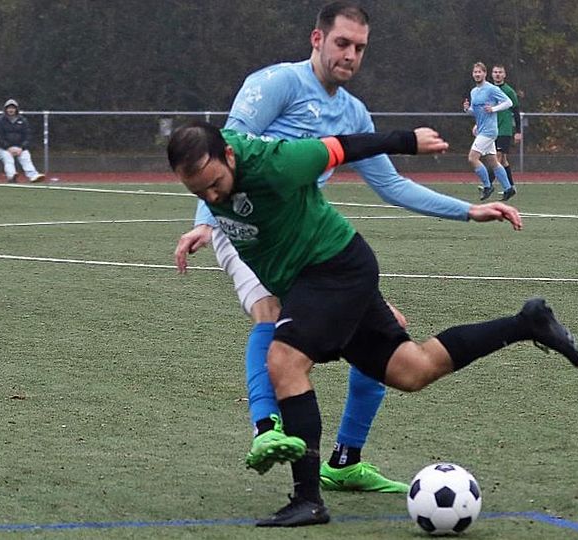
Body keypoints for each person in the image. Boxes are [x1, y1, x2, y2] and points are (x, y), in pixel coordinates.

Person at [175, 1, 520, 495]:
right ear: (317, 40)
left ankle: (345, 459)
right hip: (246, 229)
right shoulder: (275, 83)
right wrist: (207, 222)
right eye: (342, 43)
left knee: (393, 331)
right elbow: (224, 150)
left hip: (310, 244)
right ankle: (266, 429)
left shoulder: (353, 112)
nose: (351, 55)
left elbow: (392, 186)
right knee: (271, 316)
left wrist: (466, 210)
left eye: (359, 47)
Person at [167, 122, 578, 527]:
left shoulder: (278, 163)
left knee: (284, 362)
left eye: (215, 183)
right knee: (413, 369)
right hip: (319, 278)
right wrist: (204, 222)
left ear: (229, 155)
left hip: (331, 269)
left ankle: (308, 499)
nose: (211, 194)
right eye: (197, 191)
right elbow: (217, 196)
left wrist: (408, 141)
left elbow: (342, 146)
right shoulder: (214, 174)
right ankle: (527, 323)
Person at [462, 62, 516, 201]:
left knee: (472, 158)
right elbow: (478, 112)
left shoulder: (491, 89)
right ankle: (508, 188)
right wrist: (468, 110)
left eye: (479, 72)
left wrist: (494, 109)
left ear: (485, 74)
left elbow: (508, 102)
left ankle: (487, 186)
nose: (477, 74)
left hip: (489, 131)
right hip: (482, 130)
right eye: (475, 72)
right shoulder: (474, 91)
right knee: (493, 161)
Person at [0, 98, 46, 183]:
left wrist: (21, 147)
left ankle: (33, 176)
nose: (11, 110)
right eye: (9, 108)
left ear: (16, 109)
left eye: (13, 108)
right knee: (8, 159)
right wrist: (8, 147)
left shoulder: (23, 121)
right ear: (5, 109)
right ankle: (11, 176)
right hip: (4, 148)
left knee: (26, 157)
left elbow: (28, 136)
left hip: (20, 148)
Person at [491, 64, 522, 191]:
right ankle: (511, 186)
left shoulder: (509, 91)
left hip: (504, 129)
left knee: (496, 157)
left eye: (500, 72)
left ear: (504, 75)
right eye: (495, 72)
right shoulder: (489, 90)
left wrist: (518, 131)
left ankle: (488, 184)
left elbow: (516, 112)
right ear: (492, 74)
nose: (497, 74)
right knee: (503, 159)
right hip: (492, 128)